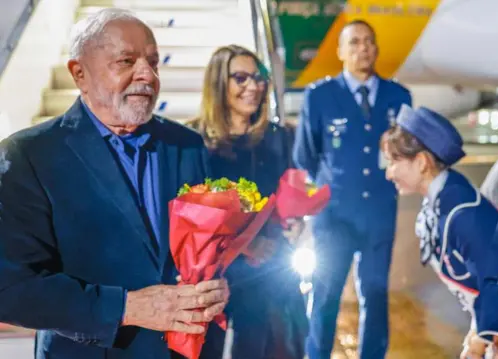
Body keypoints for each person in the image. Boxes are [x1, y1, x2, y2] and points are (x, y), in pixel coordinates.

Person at [0, 9, 229, 359]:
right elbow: (12, 288)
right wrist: (127, 308)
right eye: (126, 61)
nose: (147, 75)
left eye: (153, 62)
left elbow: (211, 248)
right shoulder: (28, 155)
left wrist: (220, 286)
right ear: (79, 74)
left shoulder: (187, 145)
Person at [292, 19, 412, 359]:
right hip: (334, 216)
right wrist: (327, 192)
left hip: (378, 212)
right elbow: (305, 155)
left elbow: (405, 151)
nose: (364, 48)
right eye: (355, 42)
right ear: (341, 51)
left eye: (369, 42)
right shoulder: (319, 96)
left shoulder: (398, 97)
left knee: (374, 293)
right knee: (326, 293)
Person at [190, 44, 307, 359]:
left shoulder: (278, 137)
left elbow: (287, 195)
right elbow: (191, 220)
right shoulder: (193, 141)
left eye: (258, 78)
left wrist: (295, 222)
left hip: (271, 267)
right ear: (218, 83)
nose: (253, 87)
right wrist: (243, 247)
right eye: (240, 78)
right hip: (217, 273)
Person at [381, 104, 498, 359]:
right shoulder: (442, 201)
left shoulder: (463, 213)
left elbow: (495, 284)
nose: (388, 173)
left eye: (394, 161)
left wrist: (481, 339)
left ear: (423, 162)